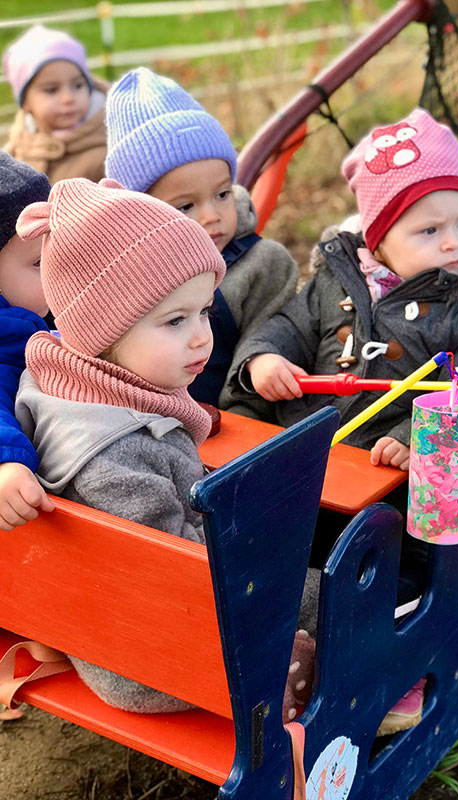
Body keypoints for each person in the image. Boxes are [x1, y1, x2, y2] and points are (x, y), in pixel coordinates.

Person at [226, 108, 458, 734]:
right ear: (378, 237)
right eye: (429, 230)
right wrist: (265, 359)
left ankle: (400, 665)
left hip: (397, 484)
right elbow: (285, 322)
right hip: (315, 459)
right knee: (292, 557)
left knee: (397, 568)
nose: (453, 242)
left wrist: (414, 438)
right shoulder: (335, 283)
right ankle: (295, 651)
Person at [14, 177, 317, 722]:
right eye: (175, 321)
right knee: (322, 586)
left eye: (204, 311)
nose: (202, 336)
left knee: (304, 568)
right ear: (100, 332)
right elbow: (178, 580)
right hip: (149, 663)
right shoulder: (114, 455)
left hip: (121, 631)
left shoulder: (71, 387)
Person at [103, 67, 298, 407]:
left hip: (236, 428)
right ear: (139, 210)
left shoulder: (262, 264)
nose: (211, 216)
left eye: (222, 194)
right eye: (186, 206)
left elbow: (270, 341)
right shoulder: (123, 276)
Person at [0, 152, 55, 536]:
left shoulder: (44, 315)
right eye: (39, 263)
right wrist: (6, 463)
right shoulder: (7, 343)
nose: (58, 270)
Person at [2, 25, 107, 184]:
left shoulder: (107, 153)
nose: (68, 98)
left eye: (78, 85)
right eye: (51, 90)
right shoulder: (17, 148)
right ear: (26, 103)